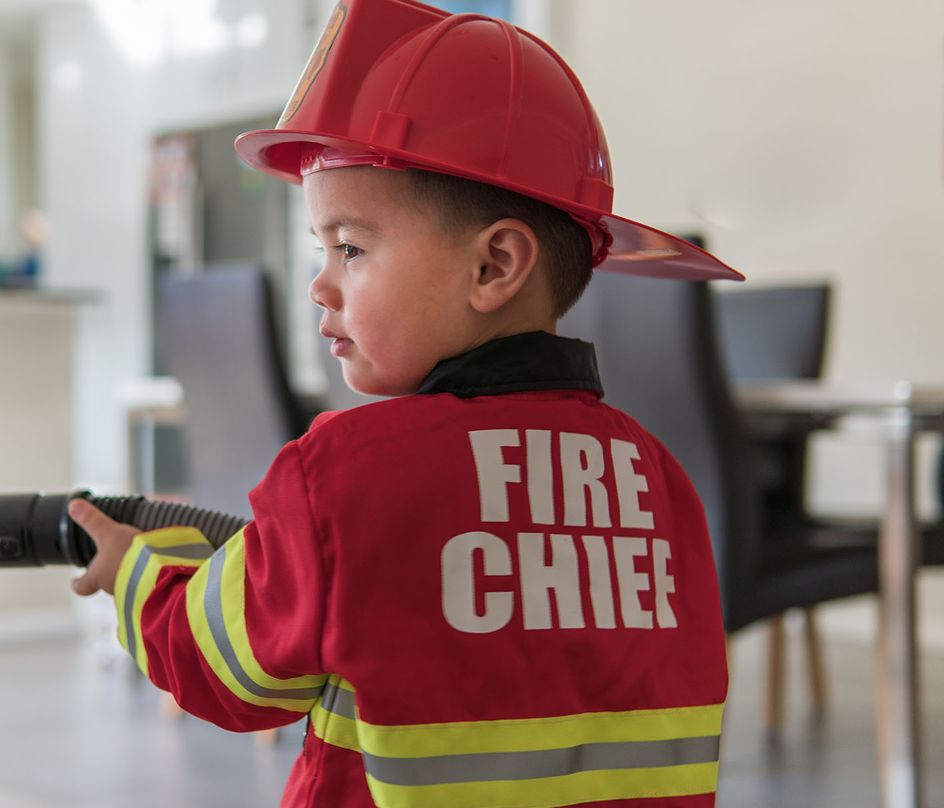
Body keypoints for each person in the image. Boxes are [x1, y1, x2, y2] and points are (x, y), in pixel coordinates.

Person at [68, 1, 742, 805]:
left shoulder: (343, 476)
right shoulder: (660, 482)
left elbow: (225, 673)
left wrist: (136, 571)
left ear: (495, 266)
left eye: (349, 247)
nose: (320, 282)